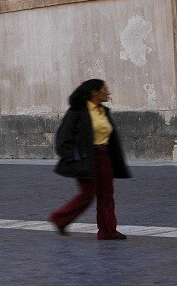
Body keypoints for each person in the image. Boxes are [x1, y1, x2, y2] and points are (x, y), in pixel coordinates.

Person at [49, 79, 131, 239]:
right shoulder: (77, 111)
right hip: (86, 159)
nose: (108, 92)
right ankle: (59, 219)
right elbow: (62, 139)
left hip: (104, 157)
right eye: (105, 89)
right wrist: (73, 158)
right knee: (87, 194)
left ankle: (108, 231)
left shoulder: (103, 111)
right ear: (95, 92)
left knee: (107, 195)